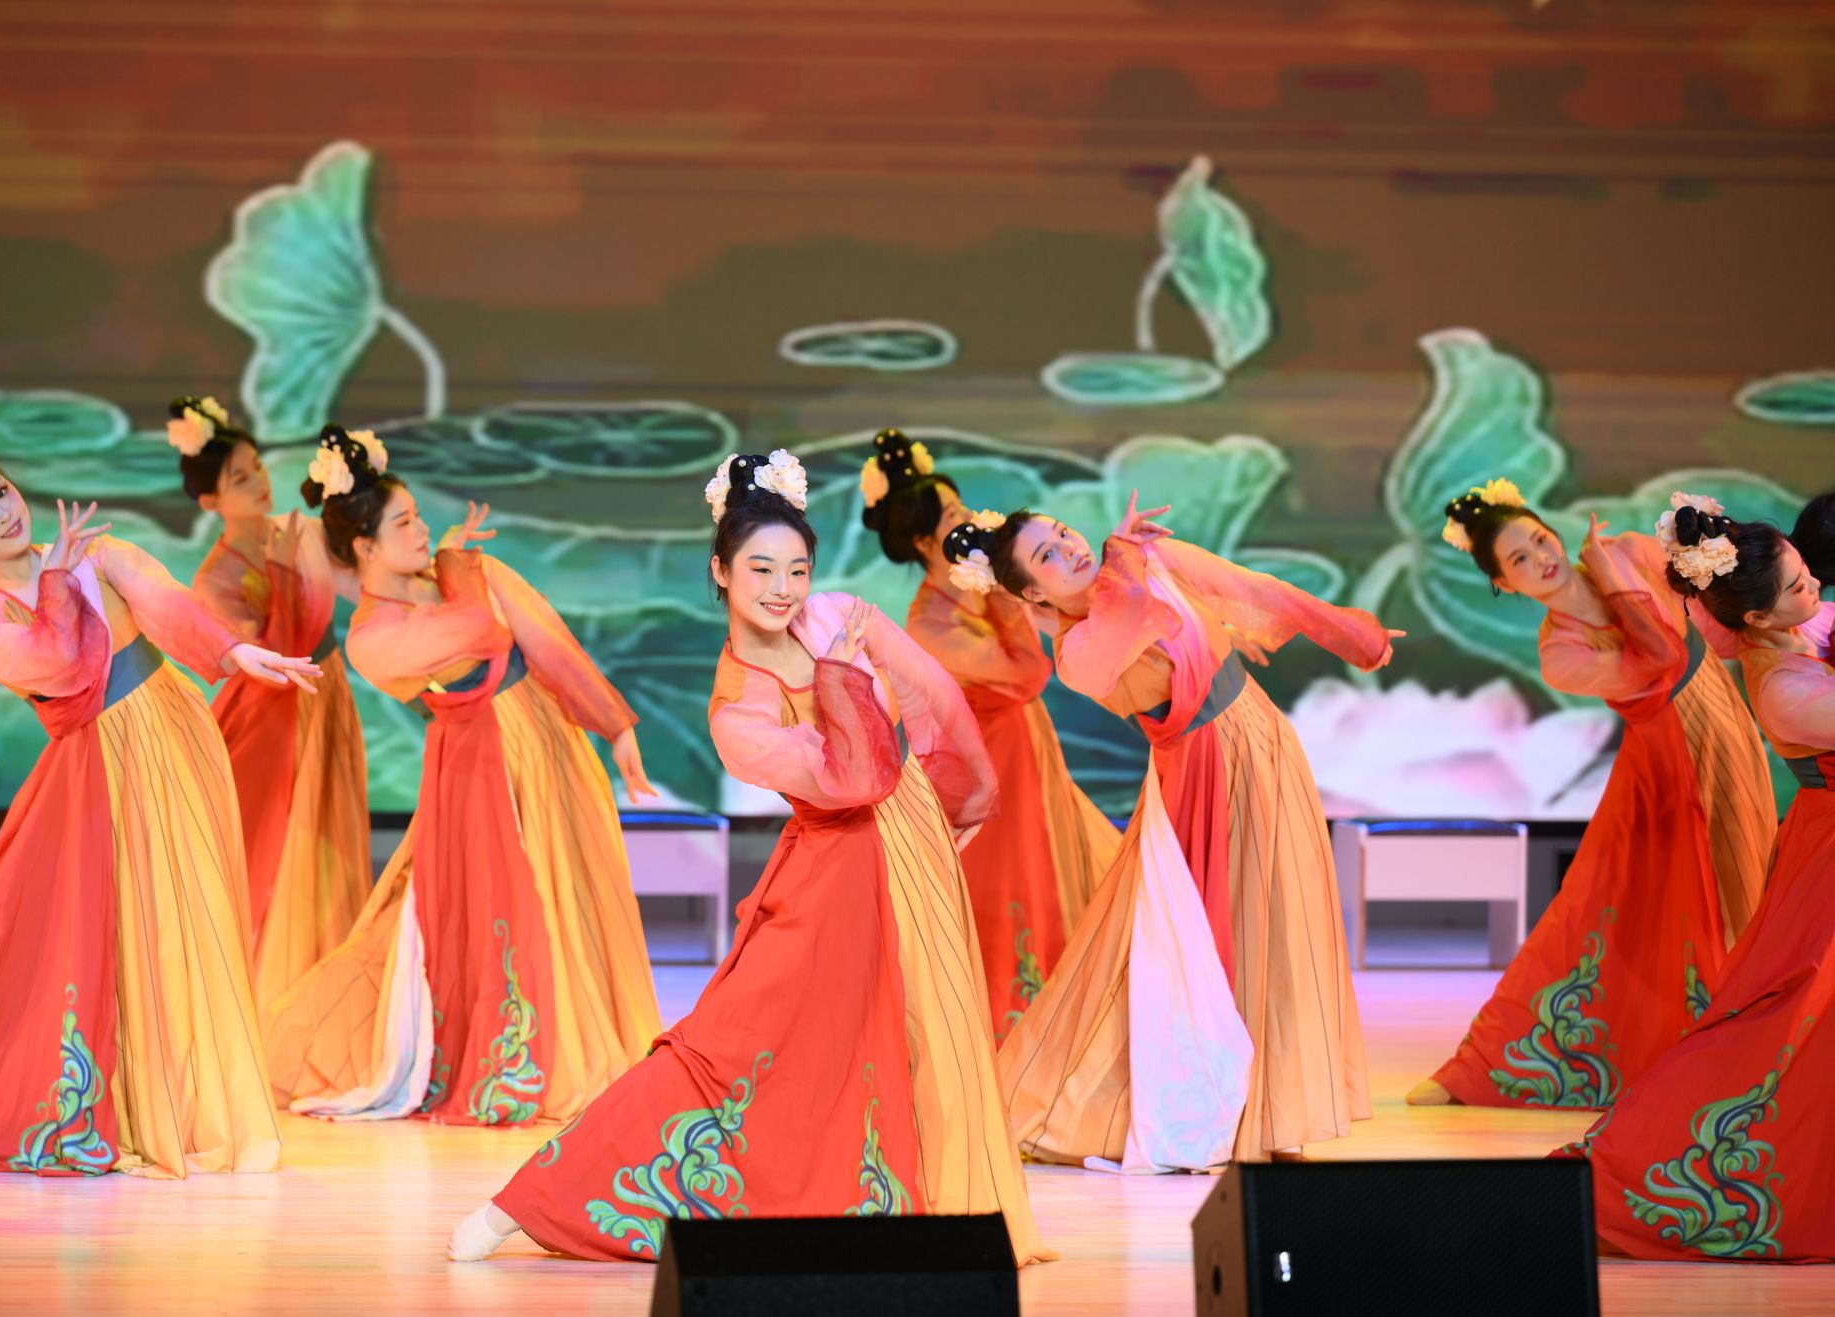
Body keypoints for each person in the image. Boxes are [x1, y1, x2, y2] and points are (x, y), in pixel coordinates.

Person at [451, 449, 1051, 1265]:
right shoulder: (737, 711)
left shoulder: (835, 613)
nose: (783, 588)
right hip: (836, 871)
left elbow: (935, 702)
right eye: (761, 568)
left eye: (797, 569)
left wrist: (963, 801)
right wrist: (843, 672)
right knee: (730, 1044)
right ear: (720, 571)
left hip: (910, 846)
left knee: (905, 1041)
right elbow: (850, 778)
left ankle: (892, 1207)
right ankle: (527, 1201)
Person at [0, 417, 318, 1177]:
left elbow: (168, 605)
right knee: (93, 935)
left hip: (172, 733)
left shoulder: (98, 553)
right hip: (96, 768)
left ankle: (187, 1107)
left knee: (188, 919)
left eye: (0, 492)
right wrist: (58, 583)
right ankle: (117, 1103)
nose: (2, 512)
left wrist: (236, 650)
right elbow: (63, 666)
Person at [974, 494, 1397, 1162]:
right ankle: (1231, 1114)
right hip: (1201, 776)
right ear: (1033, 593)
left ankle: (1271, 1113)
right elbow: (1130, 621)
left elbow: (1256, 590)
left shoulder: (1150, 559)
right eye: (1047, 555)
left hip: (1262, 738)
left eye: (1063, 532)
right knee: (1218, 941)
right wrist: (1121, 560)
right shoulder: (1077, 652)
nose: (1071, 548)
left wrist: (1351, 634)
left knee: (1279, 923)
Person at [262, 425, 660, 1128]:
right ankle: (518, 1052)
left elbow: (547, 640)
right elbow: (482, 632)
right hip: (479, 766)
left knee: (568, 890)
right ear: (364, 548)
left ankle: (577, 1035)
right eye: (404, 524)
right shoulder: (373, 638)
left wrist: (615, 726)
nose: (422, 531)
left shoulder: (459, 574)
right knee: (504, 905)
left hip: (546, 740)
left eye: (419, 517)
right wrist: (456, 563)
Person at [1411, 485, 1776, 1110]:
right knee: (1641, 902)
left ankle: (1759, 1042)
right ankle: (1494, 1063)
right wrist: (1608, 573)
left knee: (1754, 871)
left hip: (1724, 718)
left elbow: (1712, 618)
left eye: (1540, 540)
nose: (1541, 559)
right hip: (1669, 761)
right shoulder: (1562, 652)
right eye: (1519, 560)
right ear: (1504, 583)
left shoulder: (1631, 549)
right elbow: (1658, 659)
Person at [1560, 502, 1834, 1261]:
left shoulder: (1798, 627)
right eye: (1801, 586)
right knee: (1784, 1022)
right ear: (1757, 618)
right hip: (1828, 859)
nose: (1817, 589)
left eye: (1808, 574)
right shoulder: (1783, 689)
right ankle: (1642, 1169)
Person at [858, 428, 1119, 1037]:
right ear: (924, 542)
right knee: (1009, 884)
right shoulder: (930, 619)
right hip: (987, 765)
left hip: (1028, 747)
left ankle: (1066, 1013)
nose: (969, 519)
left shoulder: (981, 584)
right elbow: (1027, 674)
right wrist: (1004, 594)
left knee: (1052, 867)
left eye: (962, 507)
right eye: (952, 517)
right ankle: (1011, 1026)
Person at [169, 395, 370, 1016]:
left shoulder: (299, 532)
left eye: (255, 467)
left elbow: (358, 583)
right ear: (210, 501)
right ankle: (263, 1001)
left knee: (332, 848)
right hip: (268, 719)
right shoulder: (215, 579)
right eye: (239, 478)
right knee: (274, 855)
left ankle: (326, 993)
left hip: (324, 698)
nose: (258, 481)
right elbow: (255, 656)